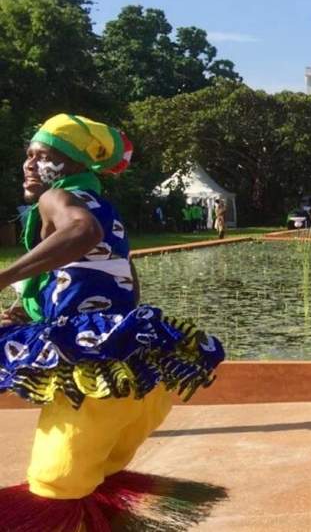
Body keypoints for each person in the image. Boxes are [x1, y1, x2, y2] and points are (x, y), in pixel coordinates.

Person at [0, 114, 226, 530]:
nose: (30, 165)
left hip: (93, 377)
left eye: (43, 156)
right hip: (132, 373)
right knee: (89, 480)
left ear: (71, 166)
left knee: (55, 485)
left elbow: (81, 232)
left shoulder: (59, 199)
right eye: (27, 155)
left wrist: (3, 277)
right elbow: (121, 277)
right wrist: (36, 313)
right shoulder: (103, 205)